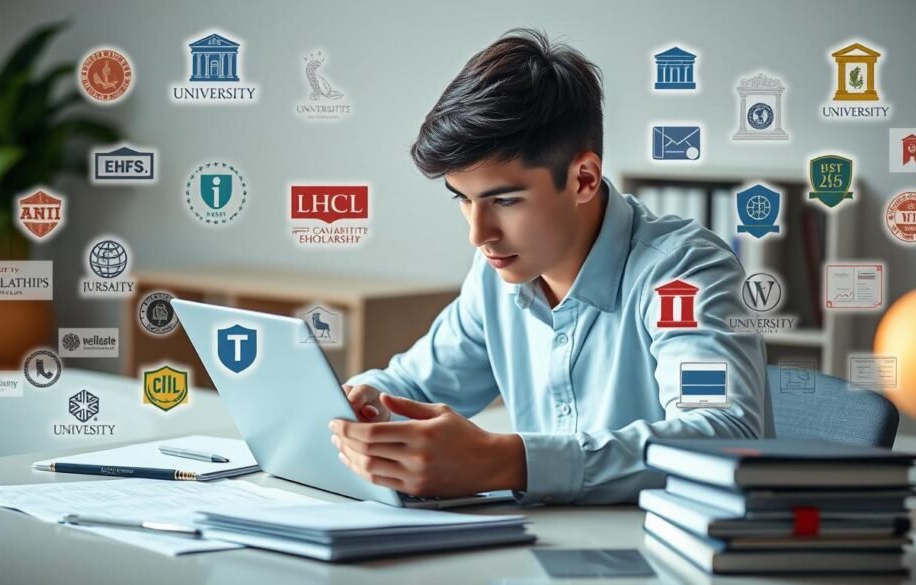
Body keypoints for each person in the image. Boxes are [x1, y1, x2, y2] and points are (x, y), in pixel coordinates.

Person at [328, 28, 772, 505]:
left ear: (583, 179)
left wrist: (506, 462)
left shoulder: (683, 273)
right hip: (547, 541)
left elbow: (720, 432)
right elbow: (413, 385)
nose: (478, 234)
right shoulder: (495, 277)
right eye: (464, 200)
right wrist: (365, 403)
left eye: (505, 200)